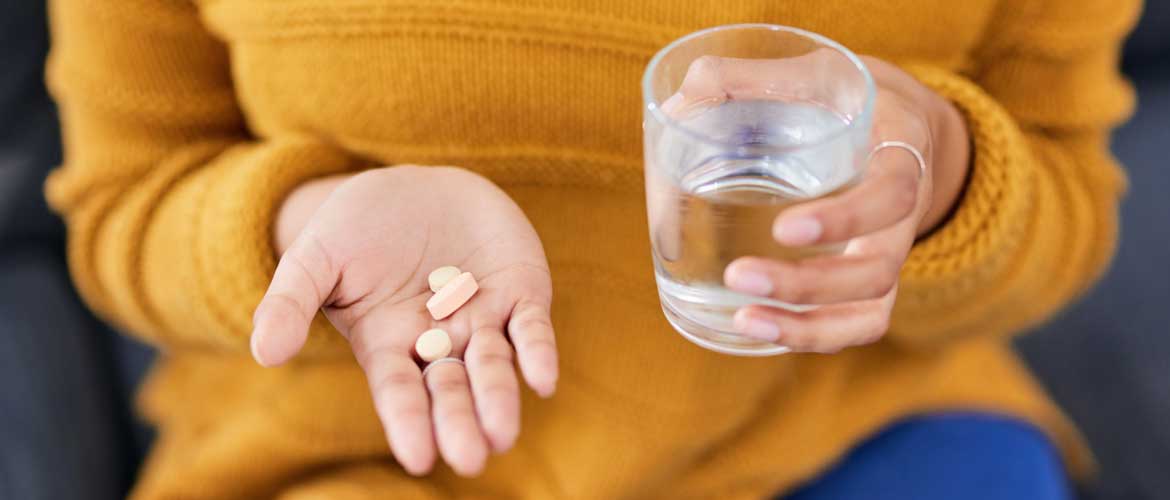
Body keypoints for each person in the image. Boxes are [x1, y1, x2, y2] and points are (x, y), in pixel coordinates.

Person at [44, 0, 1137, 498]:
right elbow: (125, 206)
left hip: (843, 430)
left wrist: (942, 172)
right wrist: (302, 224)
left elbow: (1069, 201)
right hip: (367, 450)